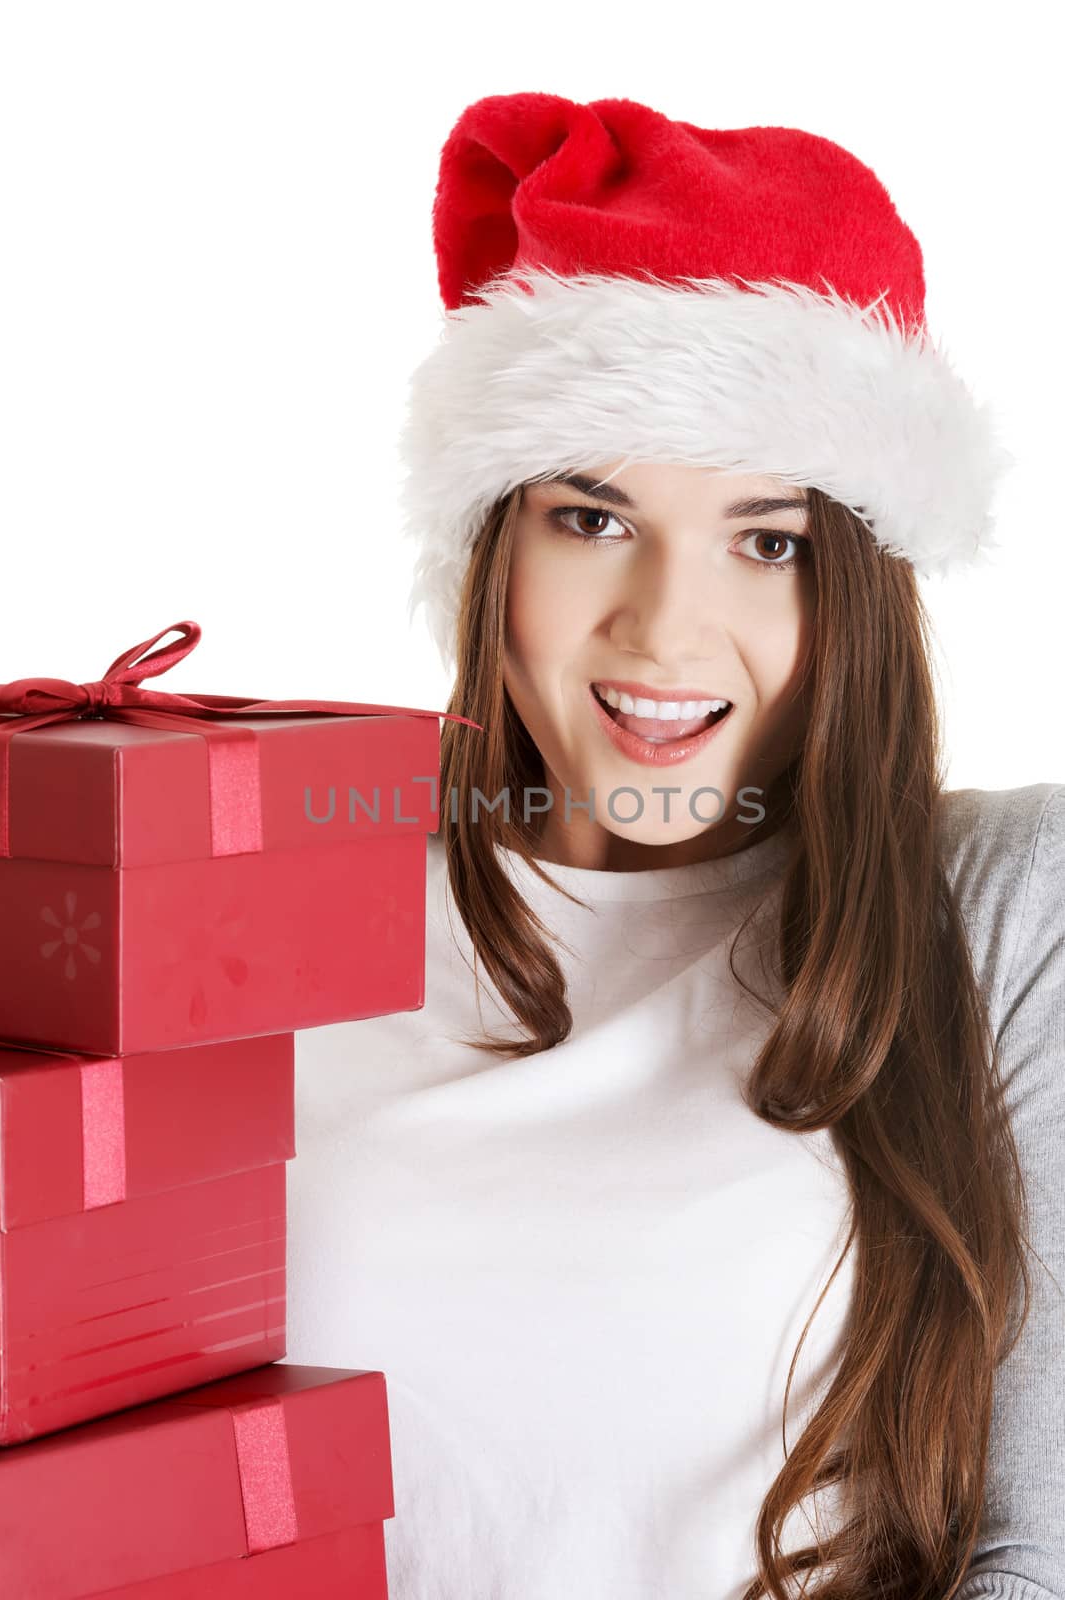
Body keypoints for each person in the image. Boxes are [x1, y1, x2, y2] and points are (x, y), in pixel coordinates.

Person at [284, 93, 1065, 1600]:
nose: (663, 629)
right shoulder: (283, 887)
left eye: (767, 542)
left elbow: (1041, 1547)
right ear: (491, 545)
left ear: (859, 592)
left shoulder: (999, 906)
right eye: (592, 517)